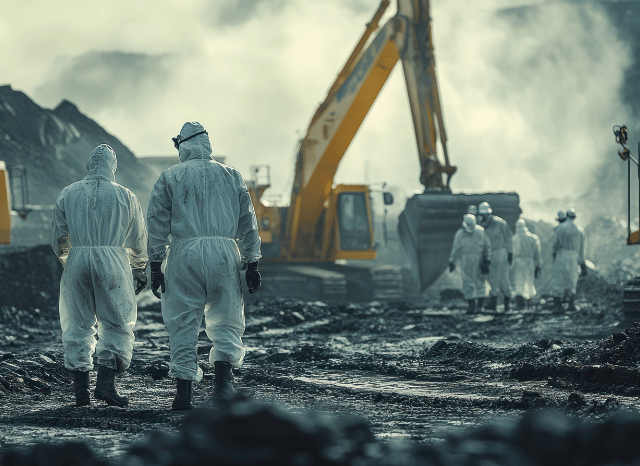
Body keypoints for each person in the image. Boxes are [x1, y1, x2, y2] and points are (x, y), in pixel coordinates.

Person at [147, 121, 262, 411]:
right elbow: (248, 222)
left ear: (182, 145)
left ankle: (183, 395)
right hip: (224, 252)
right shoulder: (231, 175)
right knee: (226, 319)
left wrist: (156, 262)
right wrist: (252, 261)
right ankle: (224, 386)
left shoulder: (170, 176)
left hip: (184, 254)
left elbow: (157, 223)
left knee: (183, 322)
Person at [51, 144, 148, 408]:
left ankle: (81, 392)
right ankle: (105, 384)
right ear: (112, 166)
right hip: (113, 260)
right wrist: (139, 268)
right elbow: (138, 239)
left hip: (77, 258)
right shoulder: (126, 196)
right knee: (116, 321)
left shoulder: (68, 193)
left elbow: (59, 237)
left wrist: (69, 262)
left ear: (89, 164)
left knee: (78, 323)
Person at [449, 214, 491, 314]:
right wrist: (452, 261)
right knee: (468, 282)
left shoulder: (480, 232)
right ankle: (471, 306)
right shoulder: (460, 234)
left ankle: (480, 306)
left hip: (479, 259)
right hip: (466, 260)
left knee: (480, 281)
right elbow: (455, 249)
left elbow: (487, 246)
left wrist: (487, 259)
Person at [477, 202, 513, 311]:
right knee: (492, 279)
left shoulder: (500, 223)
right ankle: (493, 304)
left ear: (488, 214)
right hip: (489, 254)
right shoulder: (481, 225)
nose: (483, 218)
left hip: (500, 253)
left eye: (484, 215)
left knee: (503, 279)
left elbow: (509, 239)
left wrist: (510, 253)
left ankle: (507, 303)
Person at [551, 208, 587, 312]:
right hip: (573, 257)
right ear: (575, 217)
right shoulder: (580, 230)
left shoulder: (560, 228)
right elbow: (582, 250)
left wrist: (554, 257)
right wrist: (582, 264)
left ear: (566, 216)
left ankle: (557, 306)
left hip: (561, 254)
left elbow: (555, 245)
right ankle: (571, 305)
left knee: (558, 280)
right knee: (572, 280)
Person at [511, 219, 542, 310]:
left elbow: (512, 253)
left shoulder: (514, 238)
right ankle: (531, 303)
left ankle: (520, 304)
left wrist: (511, 267)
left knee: (519, 282)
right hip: (530, 262)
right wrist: (538, 266)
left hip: (519, 262)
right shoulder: (533, 238)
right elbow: (538, 254)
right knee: (529, 282)